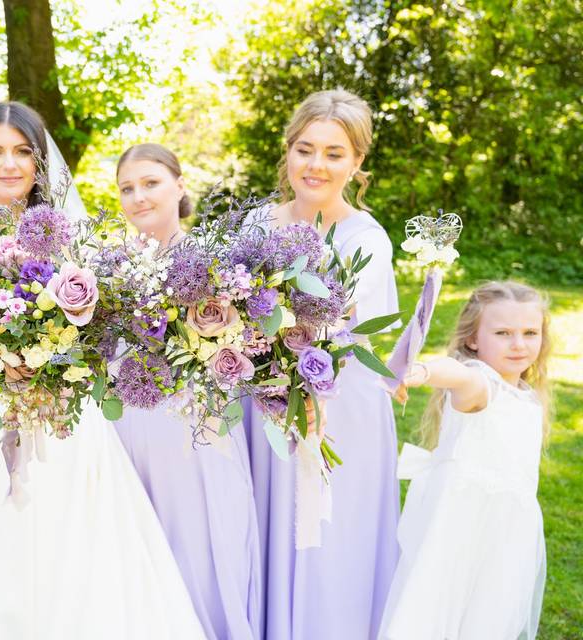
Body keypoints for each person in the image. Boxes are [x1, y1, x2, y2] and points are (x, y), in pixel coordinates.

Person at [0, 102, 204, 640]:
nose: (9, 164)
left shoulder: (70, 235)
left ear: (39, 162)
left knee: (70, 537)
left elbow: (97, 331)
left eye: (22, 151)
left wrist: (45, 359)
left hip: (60, 406)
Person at [243, 89, 400, 638]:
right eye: (305, 149)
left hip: (340, 407)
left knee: (329, 532)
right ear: (287, 152)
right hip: (263, 398)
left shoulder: (367, 239)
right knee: (269, 522)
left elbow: (334, 325)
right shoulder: (258, 223)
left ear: (358, 163)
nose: (316, 165)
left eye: (335, 153)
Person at [112, 143, 261, 639]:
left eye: (151, 182)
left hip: (197, 427)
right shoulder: (111, 267)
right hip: (131, 427)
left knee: (199, 539)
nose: (139, 197)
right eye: (127, 188)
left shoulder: (215, 262)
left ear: (179, 184)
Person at [379, 281, 549, 639]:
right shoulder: (482, 384)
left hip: (508, 531)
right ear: (473, 339)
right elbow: (455, 373)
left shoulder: (526, 395)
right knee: (438, 610)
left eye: (530, 332)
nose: (519, 344)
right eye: (503, 333)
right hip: (464, 525)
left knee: (490, 615)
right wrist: (422, 371)